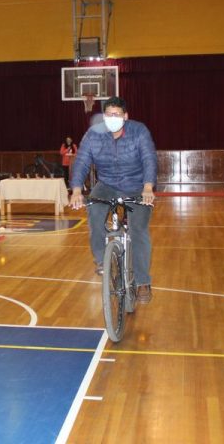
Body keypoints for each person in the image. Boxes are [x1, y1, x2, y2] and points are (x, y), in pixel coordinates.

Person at [69, 96, 157, 303]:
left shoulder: (139, 131)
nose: (112, 118)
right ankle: (102, 260)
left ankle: (143, 282)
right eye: (108, 115)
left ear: (125, 116)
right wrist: (75, 190)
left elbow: (148, 158)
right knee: (95, 214)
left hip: (137, 186)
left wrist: (147, 187)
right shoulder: (93, 135)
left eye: (116, 114)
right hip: (106, 185)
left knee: (139, 230)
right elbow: (81, 161)